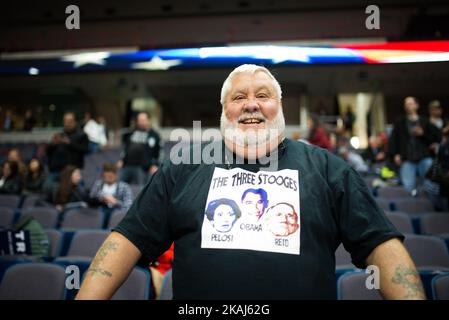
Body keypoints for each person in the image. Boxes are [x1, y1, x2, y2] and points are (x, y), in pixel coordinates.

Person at [77, 64, 424, 300]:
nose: (251, 105)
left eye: (263, 95)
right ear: (224, 110)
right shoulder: (182, 167)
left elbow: (381, 245)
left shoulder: (329, 169)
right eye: (238, 97)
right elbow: (126, 240)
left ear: (280, 107)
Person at [389, 96, 441, 197]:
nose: (408, 106)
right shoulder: (400, 123)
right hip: (407, 158)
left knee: (430, 185)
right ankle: (413, 208)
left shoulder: (425, 121)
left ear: (417, 105)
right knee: (408, 187)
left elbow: (437, 137)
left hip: (424, 157)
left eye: (410, 103)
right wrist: (395, 154)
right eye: (406, 104)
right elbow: (393, 140)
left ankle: (430, 208)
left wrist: (423, 134)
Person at [45, 112, 89, 192]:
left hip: (72, 171)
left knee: (80, 191)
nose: (67, 124)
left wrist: (70, 143)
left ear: (75, 122)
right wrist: (53, 144)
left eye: (70, 121)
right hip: (56, 170)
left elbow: (85, 150)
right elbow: (47, 152)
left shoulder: (82, 135)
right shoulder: (59, 135)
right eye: (65, 121)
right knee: (47, 188)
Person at [119, 112, 161, 185]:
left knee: (141, 189)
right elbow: (126, 148)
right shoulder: (132, 133)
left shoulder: (154, 135)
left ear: (148, 120)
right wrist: (122, 159)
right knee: (120, 185)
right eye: (140, 120)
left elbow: (159, 152)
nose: (141, 123)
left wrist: (155, 164)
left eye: (143, 120)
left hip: (143, 168)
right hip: (127, 165)